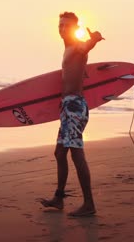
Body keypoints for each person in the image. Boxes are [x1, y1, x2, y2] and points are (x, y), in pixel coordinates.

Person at [39, 12, 104, 217]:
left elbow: (86, 47)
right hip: (67, 108)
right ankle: (59, 198)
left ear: (74, 28)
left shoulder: (77, 46)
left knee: (76, 154)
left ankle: (89, 204)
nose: (62, 29)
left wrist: (93, 39)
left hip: (74, 107)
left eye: (66, 25)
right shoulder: (68, 49)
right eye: (60, 25)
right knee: (60, 153)